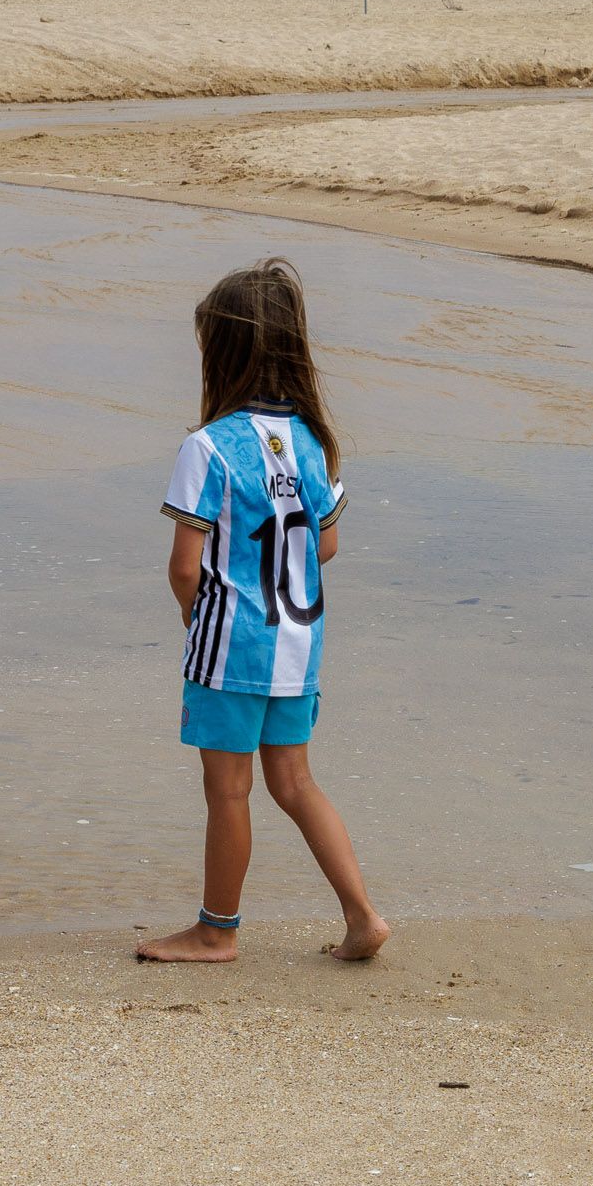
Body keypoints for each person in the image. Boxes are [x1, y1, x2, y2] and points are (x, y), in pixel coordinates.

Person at [137, 258, 390, 965]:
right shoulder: (311, 442)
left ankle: (217, 931)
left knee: (229, 790)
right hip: (298, 642)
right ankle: (363, 915)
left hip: (231, 646)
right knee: (295, 780)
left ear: (220, 353)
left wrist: (203, 628)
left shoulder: (208, 446)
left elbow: (184, 567)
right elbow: (327, 547)